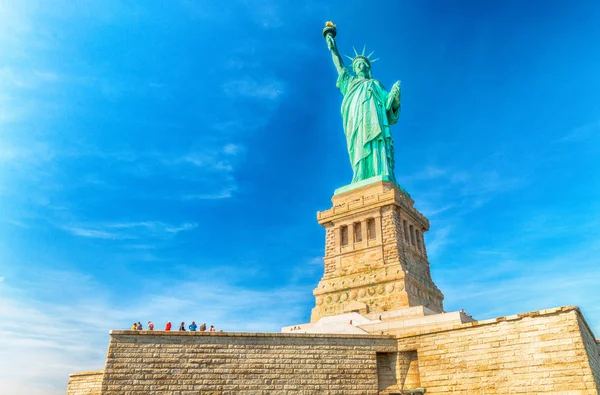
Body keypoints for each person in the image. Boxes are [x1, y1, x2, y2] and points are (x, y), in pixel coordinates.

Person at [325, 31, 401, 184]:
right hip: (356, 119)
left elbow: (389, 107)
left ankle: (380, 171)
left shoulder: (376, 84)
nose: (359, 66)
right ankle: (360, 175)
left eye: (362, 64)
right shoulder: (350, 83)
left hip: (375, 119)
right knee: (358, 145)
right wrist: (333, 49)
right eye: (356, 65)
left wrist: (395, 98)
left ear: (367, 68)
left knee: (377, 141)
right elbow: (340, 66)